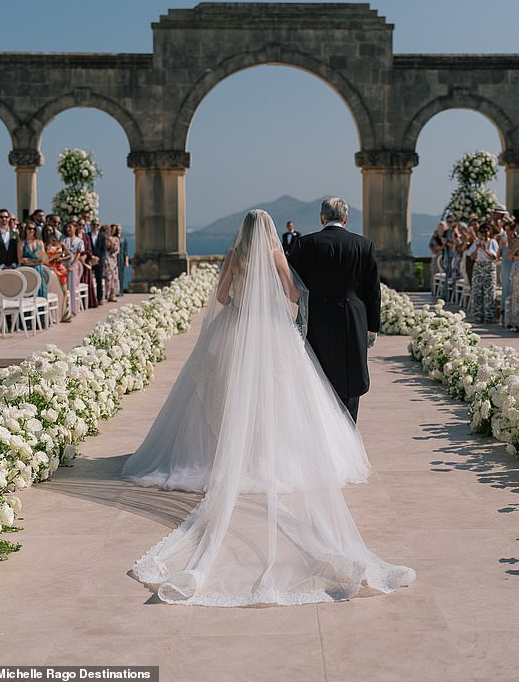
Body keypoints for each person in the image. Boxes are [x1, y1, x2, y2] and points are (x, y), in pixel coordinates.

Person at [124, 209, 415, 606]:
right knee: (279, 397)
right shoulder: (278, 255)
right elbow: (294, 295)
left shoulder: (233, 256)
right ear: (270, 231)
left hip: (234, 328)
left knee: (227, 394)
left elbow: (223, 297)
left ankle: (229, 452)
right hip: (270, 332)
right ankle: (267, 453)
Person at [288, 197, 380, 423]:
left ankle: (321, 433)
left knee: (317, 375)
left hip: (315, 316)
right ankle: (349, 431)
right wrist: (372, 327)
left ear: (322, 218)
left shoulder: (304, 244)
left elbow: (292, 284)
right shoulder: (363, 245)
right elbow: (373, 291)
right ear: (346, 219)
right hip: (353, 318)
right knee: (350, 379)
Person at [467, 222, 499, 322]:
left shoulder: (493, 242)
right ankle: (478, 314)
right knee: (477, 291)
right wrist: (477, 248)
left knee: (489, 292)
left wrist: (485, 249)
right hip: (478, 266)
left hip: (489, 266)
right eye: (481, 232)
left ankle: (489, 315)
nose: (484, 234)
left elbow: (495, 257)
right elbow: (471, 257)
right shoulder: (476, 242)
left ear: (490, 232)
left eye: (486, 231)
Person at [17, 220, 49, 302]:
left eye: (34, 229)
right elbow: (20, 259)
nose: (32, 230)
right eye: (29, 228)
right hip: (27, 272)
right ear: (25, 230)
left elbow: (43, 259)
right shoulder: (21, 243)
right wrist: (35, 261)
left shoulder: (40, 242)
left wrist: (29, 261)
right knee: (28, 294)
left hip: (39, 271)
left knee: (41, 293)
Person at [102, 224, 120, 302]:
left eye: (114, 229)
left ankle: (113, 295)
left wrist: (115, 253)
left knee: (114, 278)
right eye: (112, 229)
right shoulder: (106, 238)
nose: (113, 230)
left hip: (113, 259)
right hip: (107, 258)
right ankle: (106, 294)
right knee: (108, 277)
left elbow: (117, 249)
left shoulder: (116, 239)